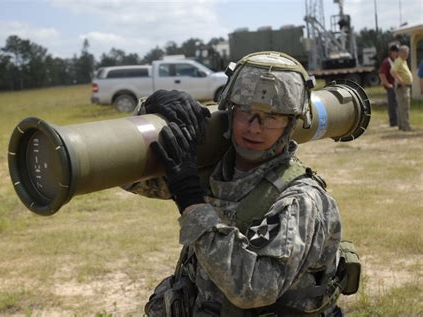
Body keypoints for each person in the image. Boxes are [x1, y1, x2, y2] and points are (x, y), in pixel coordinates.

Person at [125, 52, 355, 316]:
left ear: (291, 123)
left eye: (272, 117)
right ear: (230, 111)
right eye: (246, 112)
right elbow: (130, 179)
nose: (254, 128)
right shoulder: (217, 173)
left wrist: (191, 202)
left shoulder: (299, 199)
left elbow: (255, 288)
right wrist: (149, 110)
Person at [390, 45, 413, 132]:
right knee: (404, 107)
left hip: (404, 87)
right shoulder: (399, 61)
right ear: (400, 53)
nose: (407, 54)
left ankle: (401, 125)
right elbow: (392, 71)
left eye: (408, 53)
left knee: (401, 107)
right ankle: (406, 126)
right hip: (402, 87)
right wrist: (400, 80)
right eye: (405, 53)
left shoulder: (403, 61)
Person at [379, 45, 399, 127]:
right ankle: (393, 122)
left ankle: (398, 120)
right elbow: (382, 74)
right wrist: (387, 84)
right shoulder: (386, 62)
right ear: (391, 52)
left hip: (398, 85)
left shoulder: (397, 61)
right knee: (392, 105)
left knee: (397, 104)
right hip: (391, 86)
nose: (397, 53)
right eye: (395, 51)